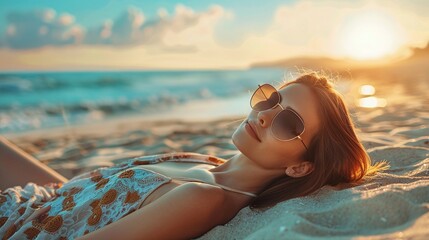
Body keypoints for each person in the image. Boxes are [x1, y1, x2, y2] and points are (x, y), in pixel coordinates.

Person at [0, 73, 386, 239]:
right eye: (272, 99)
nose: (265, 113)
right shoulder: (203, 162)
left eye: (288, 123)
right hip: (40, 196)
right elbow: (78, 193)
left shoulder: (204, 198)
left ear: (300, 166)